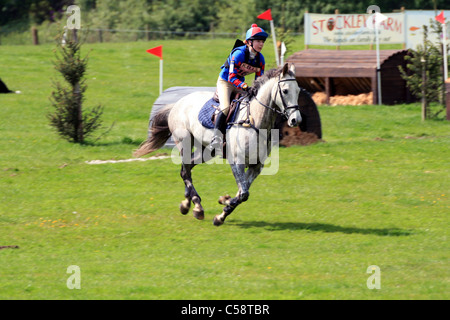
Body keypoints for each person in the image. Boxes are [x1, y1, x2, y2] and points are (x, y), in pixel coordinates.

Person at [210, 24, 268, 150]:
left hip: (240, 84)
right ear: (249, 42)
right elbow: (231, 77)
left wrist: (255, 90)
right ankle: (216, 137)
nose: (261, 44)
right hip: (226, 82)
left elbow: (259, 80)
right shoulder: (238, 54)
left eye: (262, 41)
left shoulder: (260, 59)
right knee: (225, 108)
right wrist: (245, 86)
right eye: (258, 41)